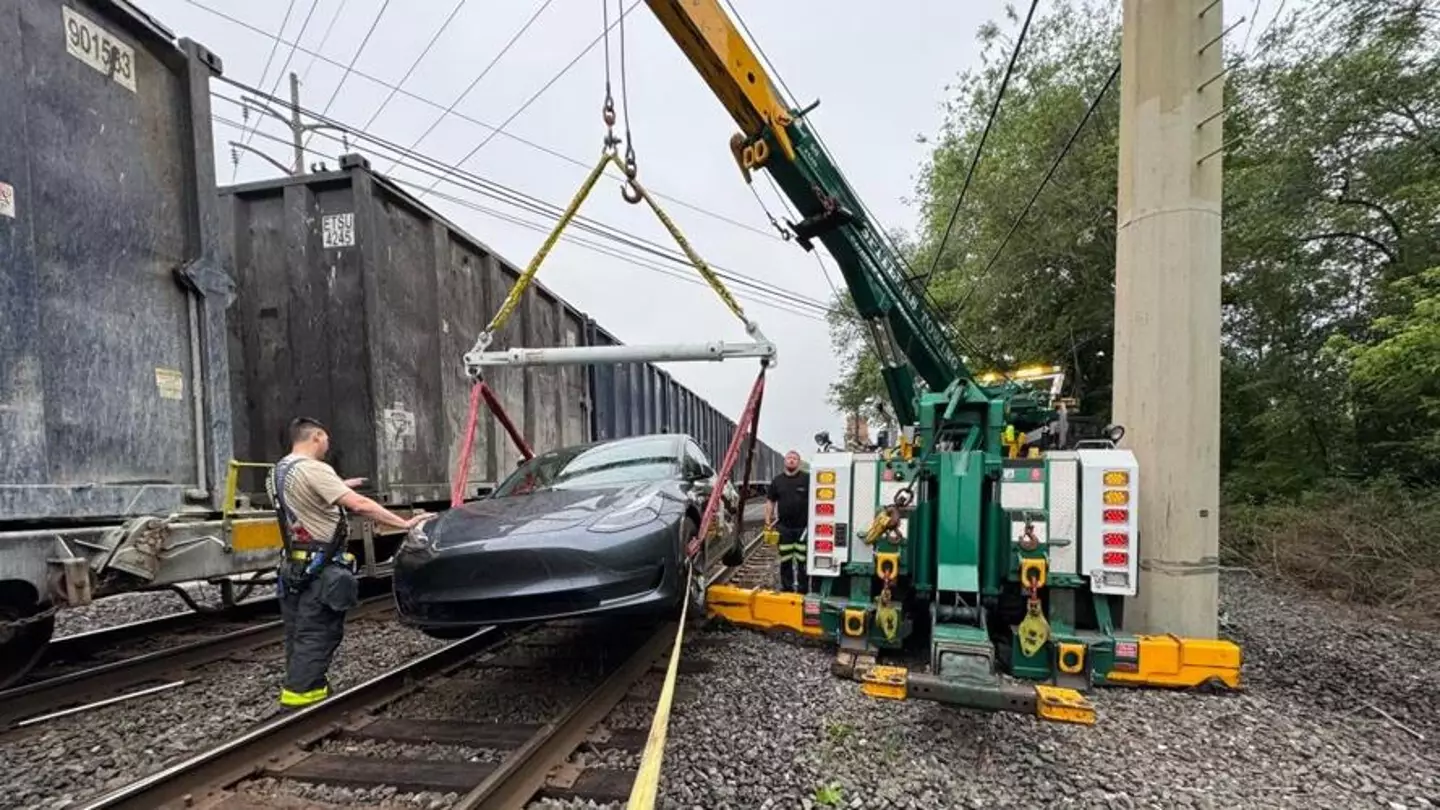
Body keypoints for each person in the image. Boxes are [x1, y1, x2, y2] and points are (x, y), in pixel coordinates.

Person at [268, 417, 429, 708]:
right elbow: (360, 504)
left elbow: (305, 498)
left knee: (298, 632)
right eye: (326, 439)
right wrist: (403, 524)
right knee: (318, 633)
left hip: (294, 567)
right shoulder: (315, 468)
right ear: (317, 436)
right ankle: (302, 701)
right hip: (319, 568)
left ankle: (303, 688)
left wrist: (339, 486)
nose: (328, 446)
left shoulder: (278, 471)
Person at [764, 450, 811, 593]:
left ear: (799, 462)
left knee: (803, 561)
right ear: (785, 461)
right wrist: (768, 521)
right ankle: (787, 588)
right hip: (784, 528)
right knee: (786, 560)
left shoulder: (807, 479)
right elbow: (770, 501)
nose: (791, 460)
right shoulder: (777, 481)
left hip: (803, 528)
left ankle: (803, 590)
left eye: (794, 458)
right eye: (789, 458)